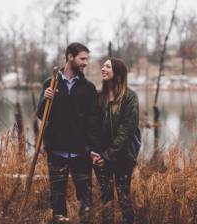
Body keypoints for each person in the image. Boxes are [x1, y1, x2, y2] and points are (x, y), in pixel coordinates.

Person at [37, 42, 100, 224]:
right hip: (56, 152)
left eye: (87, 59)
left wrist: (92, 148)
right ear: (70, 57)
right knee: (57, 199)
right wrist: (46, 99)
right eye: (82, 58)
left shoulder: (88, 88)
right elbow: (41, 114)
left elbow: (93, 123)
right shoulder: (51, 83)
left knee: (85, 201)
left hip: (81, 153)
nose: (85, 62)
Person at [91, 58, 139, 224]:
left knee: (124, 198)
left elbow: (127, 130)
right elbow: (93, 127)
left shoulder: (129, 98)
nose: (103, 69)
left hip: (123, 158)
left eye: (108, 66)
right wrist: (95, 153)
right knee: (106, 201)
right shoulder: (98, 97)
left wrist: (107, 155)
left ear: (117, 72)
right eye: (103, 66)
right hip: (100, 159)